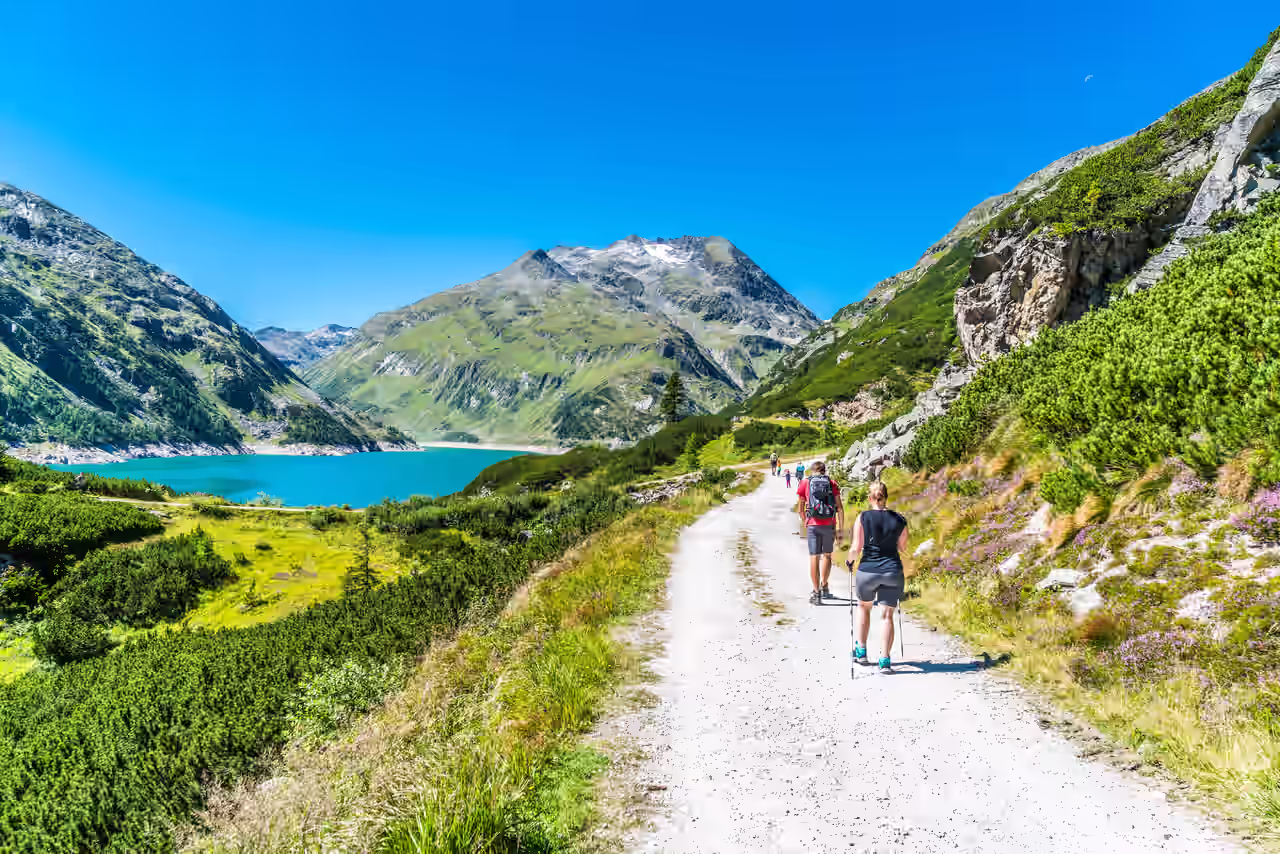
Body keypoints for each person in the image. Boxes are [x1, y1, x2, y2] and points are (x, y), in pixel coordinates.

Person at [845, 481, 908, 674]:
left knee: (863, 607)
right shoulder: (899, 519)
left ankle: (861, 651)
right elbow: (903, 547)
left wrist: (849, 561)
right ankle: (884, 660)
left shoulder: (863, 517)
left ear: (870, 498)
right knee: (887, 615)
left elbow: (856, 548)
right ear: (886, 497)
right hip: (892, 570)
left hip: (868, 570)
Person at [795, 460, 844, 605]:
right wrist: (841, 528)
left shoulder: (805, 483)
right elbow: (839, 508)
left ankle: (816, 594)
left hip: (813, 525)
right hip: (829, 524)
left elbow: (800, 508)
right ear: (824, 470)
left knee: (814, 558)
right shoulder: (832, 483)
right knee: (827, 556)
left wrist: (805, 520)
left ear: (812, 471)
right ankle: (824, 586)